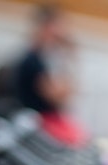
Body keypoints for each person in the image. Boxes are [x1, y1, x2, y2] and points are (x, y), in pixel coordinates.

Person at [13, 4, 87, 146]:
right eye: (58, 26)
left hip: (46, 119)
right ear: (46, 27)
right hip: (39, 121)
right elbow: (58, 97)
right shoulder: (32, 60)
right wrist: (70, 57)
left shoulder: (42, 58)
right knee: (78, 141)